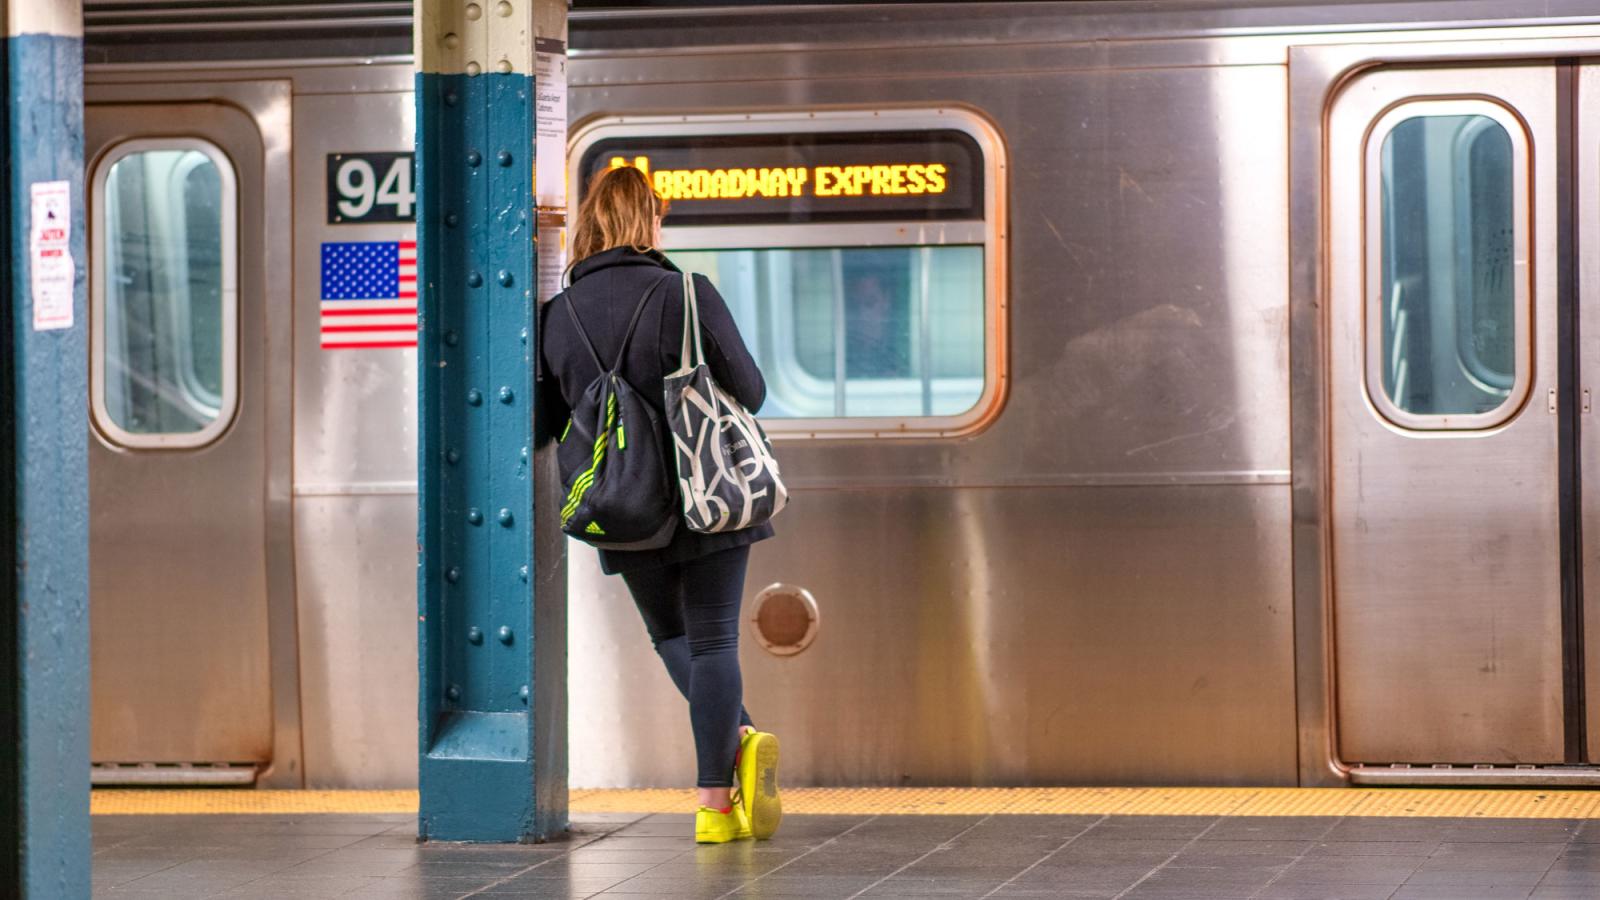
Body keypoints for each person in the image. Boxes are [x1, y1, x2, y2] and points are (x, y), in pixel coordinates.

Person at [537, 166, 782, 844]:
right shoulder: (685, 292)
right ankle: (713, 805)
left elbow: (545, 421)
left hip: (623, 506)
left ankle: (745, 739)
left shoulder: (557, 316)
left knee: (672, 637)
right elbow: (753, 391)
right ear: (649, 221)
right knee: (714, 639)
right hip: (706, 496)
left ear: (591, 222)